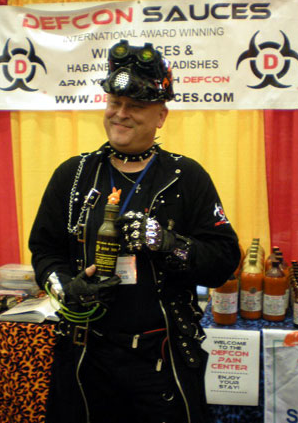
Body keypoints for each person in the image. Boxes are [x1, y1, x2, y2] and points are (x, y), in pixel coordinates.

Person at [29, 39, 241, 423]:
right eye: (115, 102)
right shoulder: (73, 175)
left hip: (161, 357)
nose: (121, 114)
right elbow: (45, 251)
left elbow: (224, 262)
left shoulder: (186, 177)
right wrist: (65, 288)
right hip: (85, 357)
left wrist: (167, 243)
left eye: (136, 106)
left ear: (161, 115)